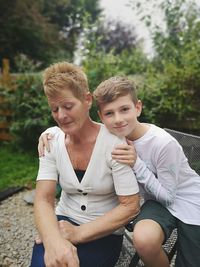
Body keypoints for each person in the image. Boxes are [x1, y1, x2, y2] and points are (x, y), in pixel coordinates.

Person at [39, 75, 200, 267]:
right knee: (144, 239)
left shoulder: (163, 144)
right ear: (101, 116)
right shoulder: (113, 138)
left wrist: (137, 164)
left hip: (188, 203)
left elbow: (169, 197)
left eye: (124, 109)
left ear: (138, 108)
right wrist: (49, 133)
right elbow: (79, 126)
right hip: (154, 202)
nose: (118, 119)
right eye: (109, 113)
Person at [31, 63, 140, 267]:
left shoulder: (115, 143)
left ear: (87, 100)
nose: (60, 115)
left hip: (104, 230)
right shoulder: (50, 140)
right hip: (62, 221)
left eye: (68, 106)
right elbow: (44, 200)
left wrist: (78, 233)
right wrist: (53, 240)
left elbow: (130, 206)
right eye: (54, 109)